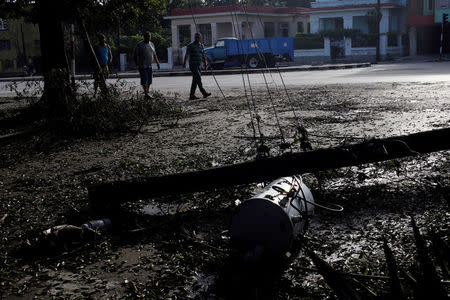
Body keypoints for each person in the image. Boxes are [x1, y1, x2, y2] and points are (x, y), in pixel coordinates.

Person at [183, 33, 211, 100]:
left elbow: (203, 55)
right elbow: (186, 55)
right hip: (193, 65)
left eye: (198, 37)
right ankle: (204, 93)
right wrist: (184, 63)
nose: (197, 38)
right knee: (198, 78)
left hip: (199, 65)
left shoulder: (201, 45)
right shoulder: (190, 45)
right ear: (194, 38)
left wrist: (205, 64)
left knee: (195, 80)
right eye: (196, 37)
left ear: (201, 38)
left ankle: (192, 95)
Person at [134, 31, 160, 97]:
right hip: (142, 65)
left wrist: (157, 63)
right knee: (144, 79)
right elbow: (135, 54)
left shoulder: (152, 44)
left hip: (149, 65)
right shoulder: (139, 44)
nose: (148, 37)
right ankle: (146, 93)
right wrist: (137, 63)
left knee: (149, 80)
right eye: (147, 36)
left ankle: (147, 92)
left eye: (149, 36)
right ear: (144, 37)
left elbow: (154, 54)